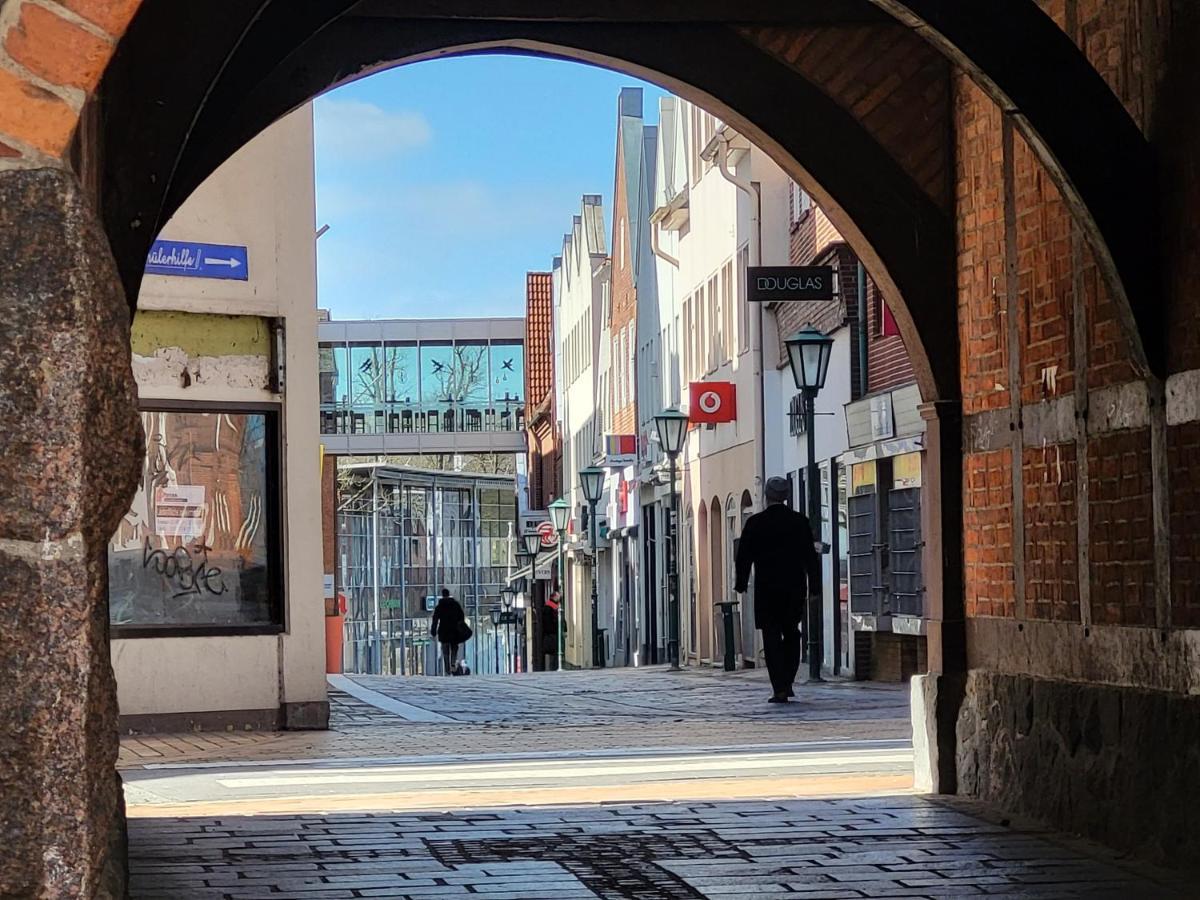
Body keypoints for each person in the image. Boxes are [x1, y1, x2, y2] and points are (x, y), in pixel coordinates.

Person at [734, 476, 822, 703]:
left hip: (766, 589)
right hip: (794, 588)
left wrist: (741, 583)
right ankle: (788, 680)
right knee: (792, 633)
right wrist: (814, 587)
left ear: (766, 496)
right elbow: (810, 558)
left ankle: (779, 687)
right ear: (786, 496)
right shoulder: (799, 522)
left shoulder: (756, 523)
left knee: (771, 637)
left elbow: (743, 556)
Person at [430, 588, 466, 676]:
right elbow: (461, 617)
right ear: (449, 594)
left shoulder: (439, 607)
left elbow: (435, 620)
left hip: (443, 631)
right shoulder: (455, 605)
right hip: (454, 631)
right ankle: (453, 663)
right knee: (454, 648)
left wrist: (433, 631)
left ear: (442, 595)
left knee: (445, 651)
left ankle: (447, 669)